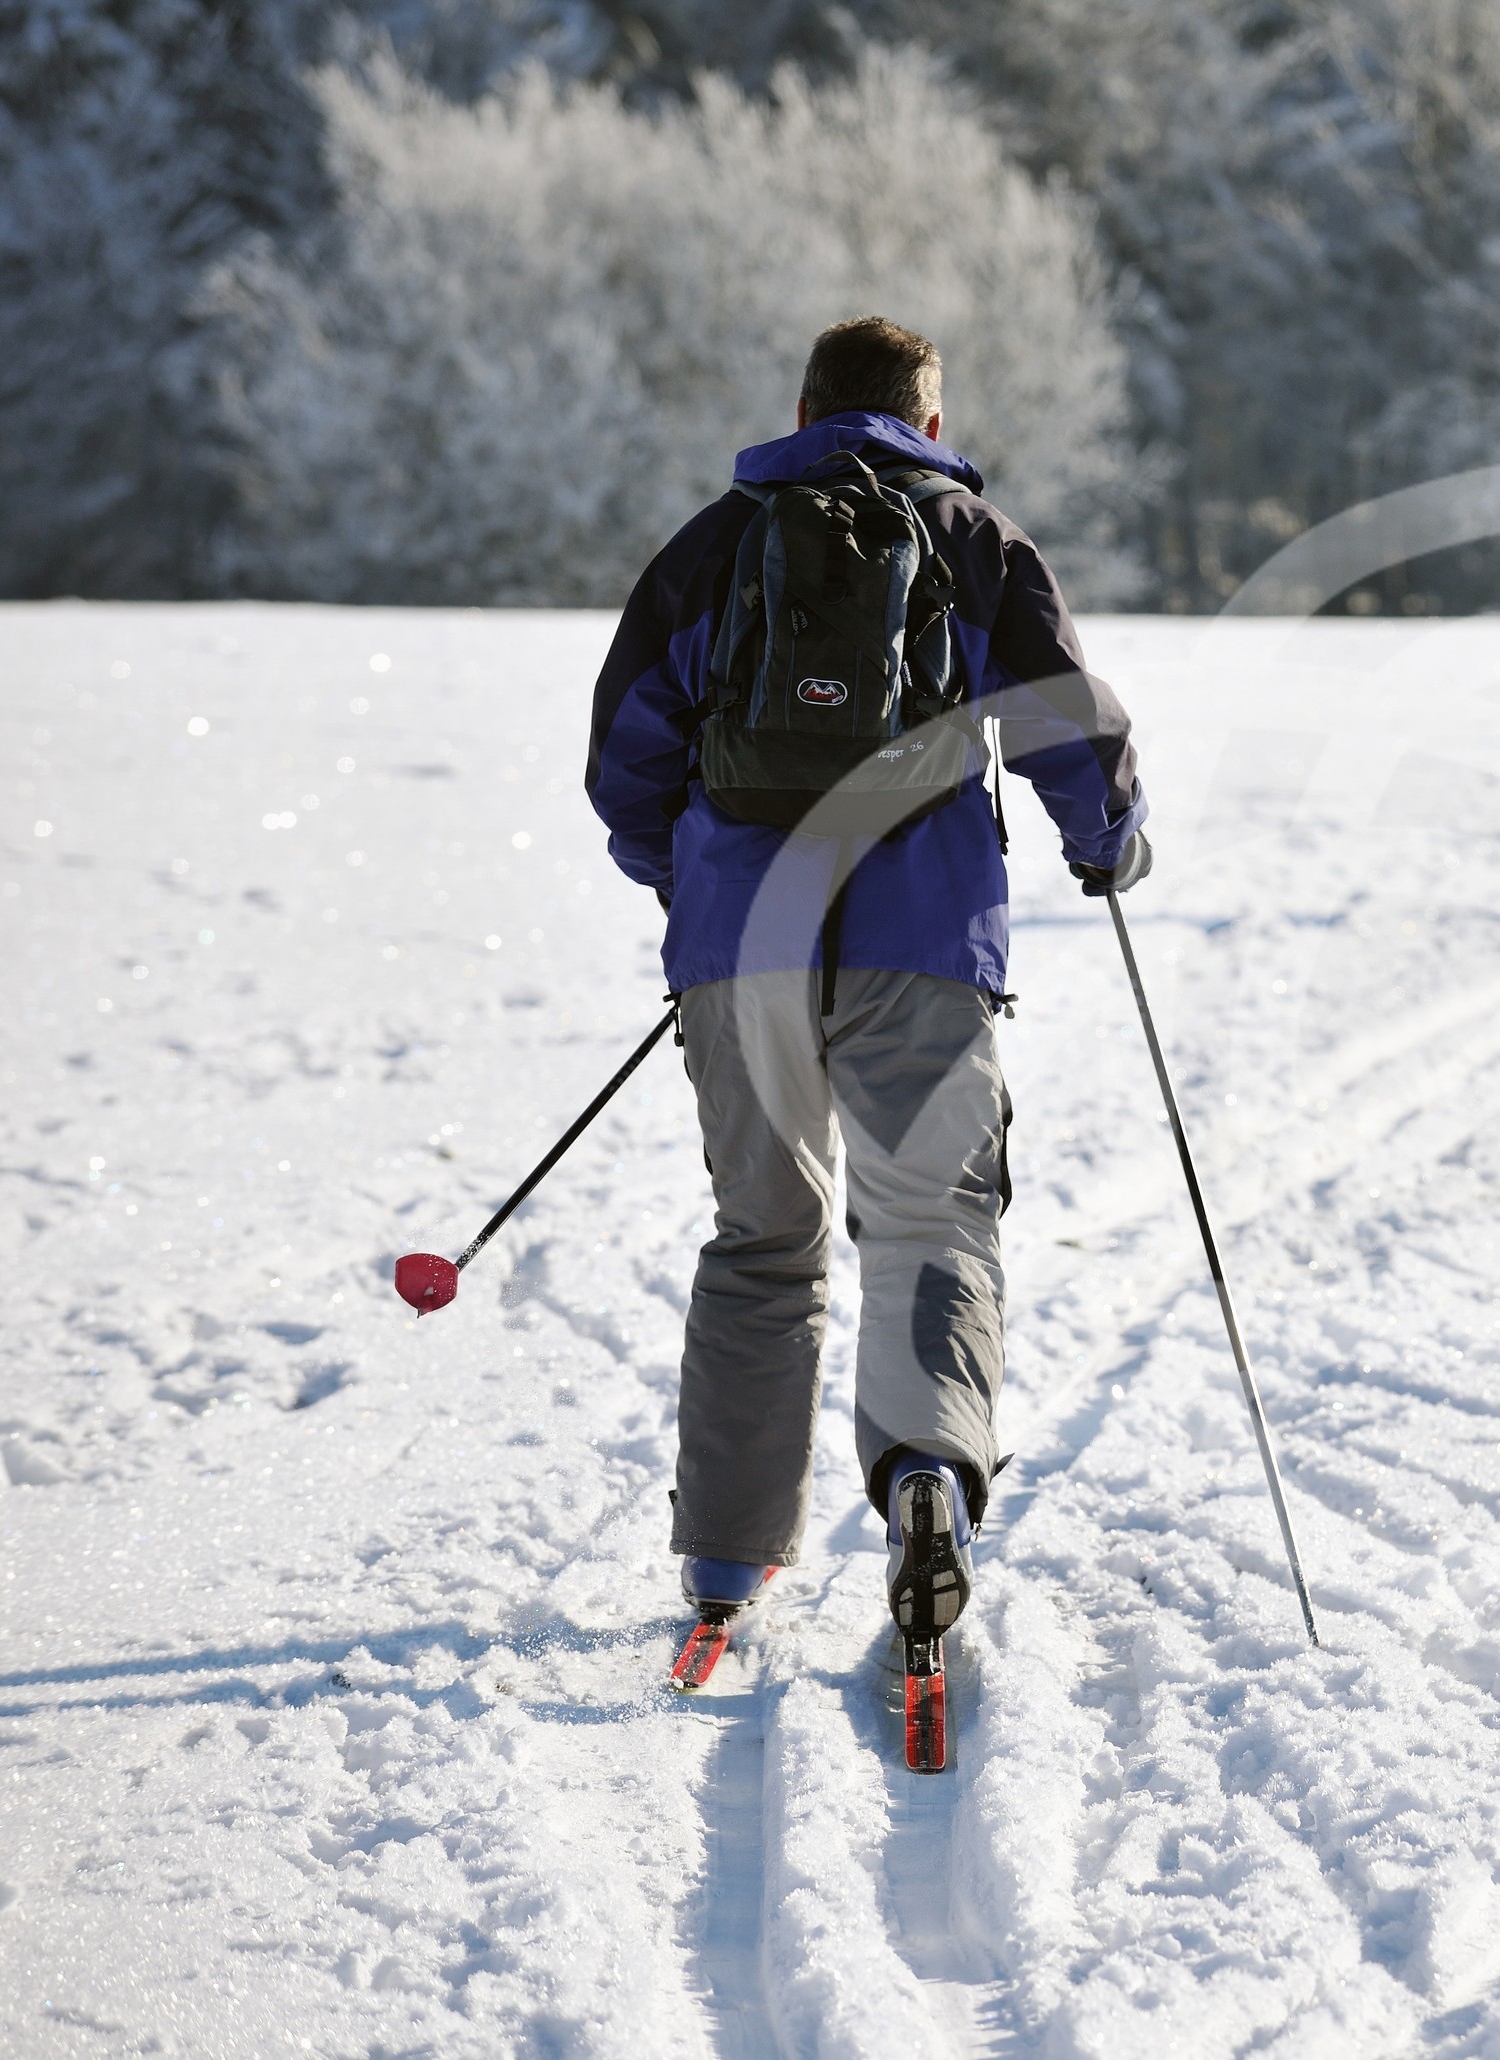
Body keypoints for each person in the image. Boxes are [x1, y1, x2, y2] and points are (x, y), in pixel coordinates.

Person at [585, 316, 1148, 1676]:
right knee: (927, 1221)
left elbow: (623, 759)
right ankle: (927, 1487)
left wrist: (696, 892)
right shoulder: (970, 536)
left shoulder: (718, 542)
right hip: (921, 936)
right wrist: (1104, 841)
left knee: (762, 1240)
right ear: (928, 423)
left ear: (799, 406)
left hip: (741, 950)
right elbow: (1067, 717)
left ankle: (725, 1562)